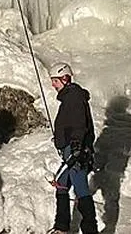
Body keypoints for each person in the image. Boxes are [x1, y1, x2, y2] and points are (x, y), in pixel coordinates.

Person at [49, 62, 98, 234]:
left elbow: (79, 123)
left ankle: (90, 229)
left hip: (76, 149)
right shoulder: (70, 97)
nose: (53, 85)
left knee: (80, 187)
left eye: (55, 81)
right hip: (70, 148)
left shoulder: (74, 96)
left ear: (65, 79)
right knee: (62, 184)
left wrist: (76, 145)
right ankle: (61, 227)